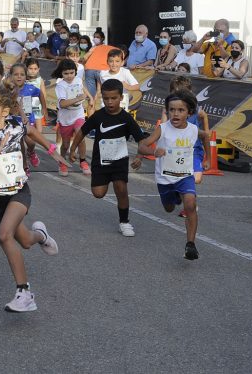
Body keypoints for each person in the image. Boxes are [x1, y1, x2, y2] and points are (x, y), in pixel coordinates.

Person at [0, 85, 68, 312]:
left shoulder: (16, 126)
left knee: (4, 235)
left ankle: (24, 293)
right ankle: (41, 235)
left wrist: (52, 150)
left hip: (20, 191)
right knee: (25, 241)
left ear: (4, 111)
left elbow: (31, 131)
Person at [139, 90, 210, 260]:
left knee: (191, 203)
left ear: (189, 112)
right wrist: (154, 150)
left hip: (185, 175)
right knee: (169, 208)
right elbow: (142, 145)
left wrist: (208, 159)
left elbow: (206, 137)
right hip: (165, 178)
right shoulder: (163, 129)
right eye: (172, 110)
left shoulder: (193, 130)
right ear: (167, 111)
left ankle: (190, 245)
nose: (175, 113)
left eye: (180, 110)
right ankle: (175, 198)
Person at [69, 79, 146, 237]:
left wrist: (139, 156)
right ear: (102, 98)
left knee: (121, 188)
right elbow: (82, 131)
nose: (110, 102)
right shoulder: (98, 116)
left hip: (119, 161)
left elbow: (141, 139)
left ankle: (124, 222)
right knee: (98, 193)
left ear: (121, 98)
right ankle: (107, 181)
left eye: (114, 98)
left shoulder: (126, 118)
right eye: (106, 98)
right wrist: (72, 148)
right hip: (100, 162)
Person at [160, 75, 210, 217]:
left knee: (197, 178)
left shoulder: (195, 109)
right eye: (175, 92)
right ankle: (187, 202)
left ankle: (183, 193)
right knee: (181, 177)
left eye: (182, 92)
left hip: (194, 150)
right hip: (175, 150)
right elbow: (163, 128)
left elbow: (204, 116)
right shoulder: (169, 110)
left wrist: (206, 132)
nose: (178, 96)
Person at [53, 59, 94, 176]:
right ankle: (62, 161)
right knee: (65, 145)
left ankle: (83, 161)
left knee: (80, 135)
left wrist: (90, 97)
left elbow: (83, 88)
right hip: (65, 118)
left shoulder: (78, 80)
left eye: (72, 72)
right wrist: (77, 99)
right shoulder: (60, 86)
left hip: (78, 114)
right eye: (66, 73)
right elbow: (62, 104)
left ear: (75, 72)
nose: (69, 76)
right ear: (61, 73)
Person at [82, 27, 116, 97]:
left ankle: (92, 104)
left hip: (89, 69)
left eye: (97, 37)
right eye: (94, 37)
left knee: (91, 94)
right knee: (105, 92)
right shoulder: (109, 48)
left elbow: (85, 58)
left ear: (102, 38)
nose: (95, 38)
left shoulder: (93, 48)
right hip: (103, 70)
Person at [25, 57, 48, 134]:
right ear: (26, 68)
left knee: (39, 127)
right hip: (26, 106)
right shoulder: (23, 80)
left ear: (38, 69)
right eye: (30, 68)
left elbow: (43, 94)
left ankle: (38, 139)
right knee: (27, 126)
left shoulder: (40, 80)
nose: (33, 71)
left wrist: (44, 108)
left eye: (35, 69)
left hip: (37, 106)